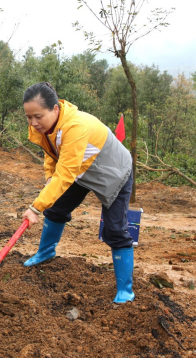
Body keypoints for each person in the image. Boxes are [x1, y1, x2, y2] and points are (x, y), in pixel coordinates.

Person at [20, 82, 135, 303]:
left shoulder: (75, 126)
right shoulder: (45, 125)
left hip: (113, 171)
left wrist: (35, 207)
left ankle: (126, 290)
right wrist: (48, 176)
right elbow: (51, 152)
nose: (33, 123)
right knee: (56, 209)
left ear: (55, 108)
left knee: (114, 230)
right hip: (80, 170)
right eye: (28, 117)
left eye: (38, 116)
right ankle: (46, 253)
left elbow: (66, 173)